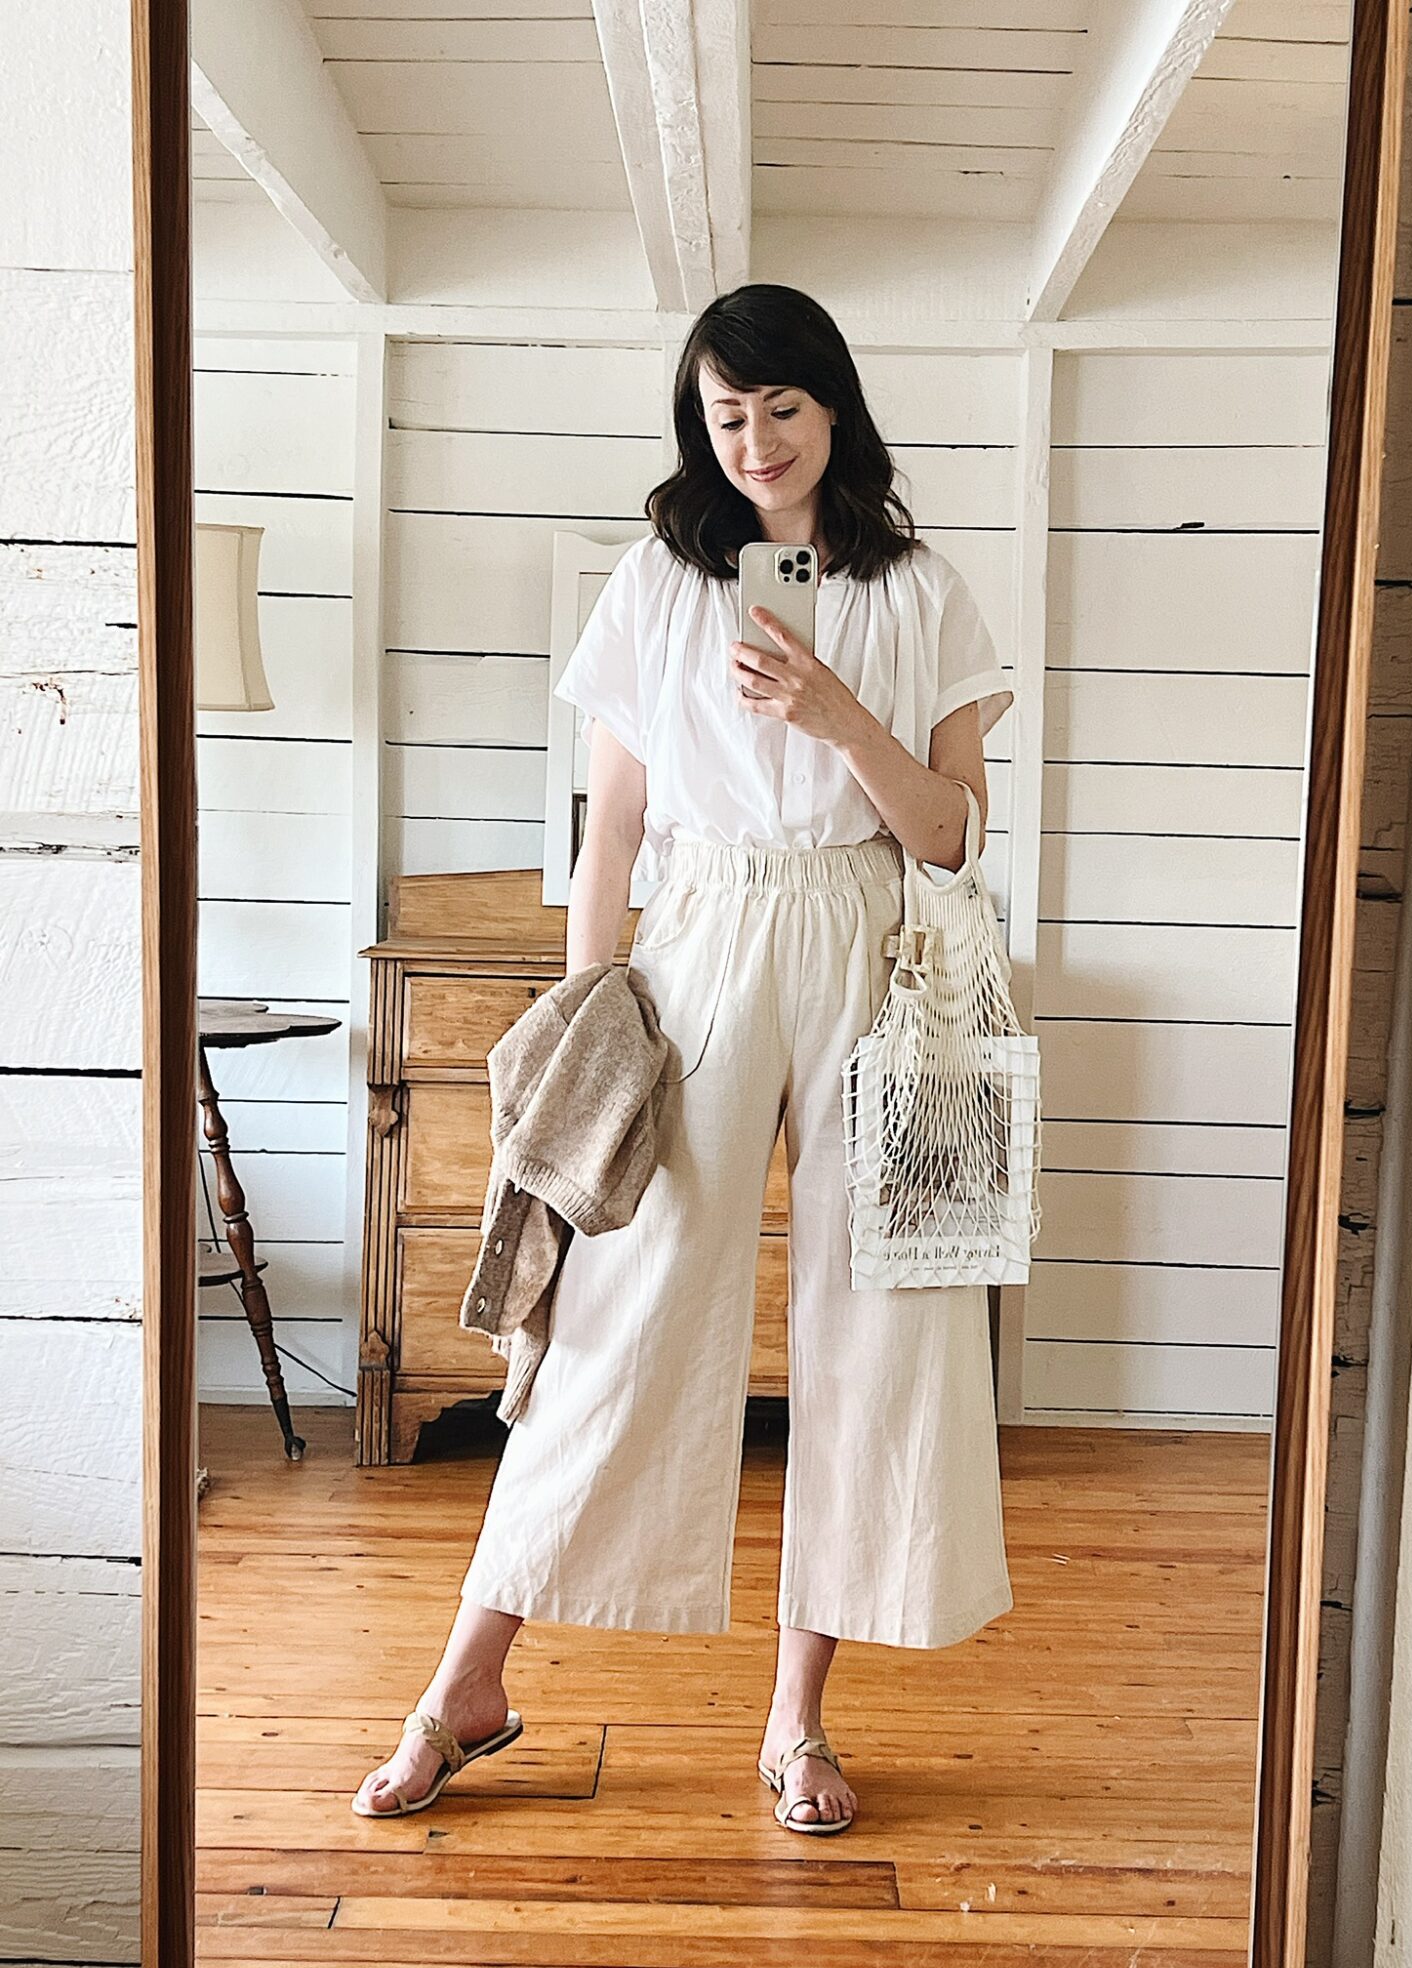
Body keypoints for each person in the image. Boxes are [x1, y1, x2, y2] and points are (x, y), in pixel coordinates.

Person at [352, 282, 1017, 1833]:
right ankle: (468, 1684)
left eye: (781, 407)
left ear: (834, 408)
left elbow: (954, 842)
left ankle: (798, 1726)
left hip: (884, 952)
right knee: (618, 1314)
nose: (757, 441)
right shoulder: (661, 581)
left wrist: (842, 712)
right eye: (725, 414)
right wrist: (596, 1015)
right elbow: (617, 831)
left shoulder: (924, 593)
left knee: (883, 1326)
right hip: (705, 937)